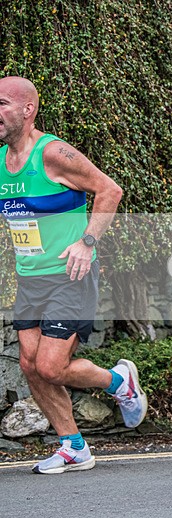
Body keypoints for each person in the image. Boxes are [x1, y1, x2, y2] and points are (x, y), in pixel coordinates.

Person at [0, 76, 147, 474]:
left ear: (27, 110)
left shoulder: (53, 153)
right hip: (30, 277)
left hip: (70, 274)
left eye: (2, 104)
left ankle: (119, 382)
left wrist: (87, 241)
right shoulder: (1, 160)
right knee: (30, 366)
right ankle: (73, 446)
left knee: (50, 366)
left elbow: (110, 190)